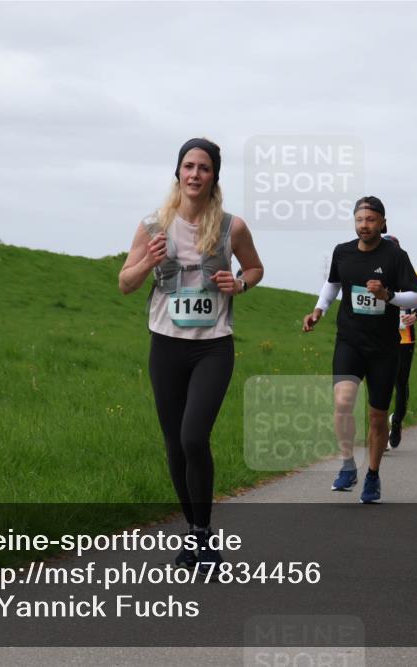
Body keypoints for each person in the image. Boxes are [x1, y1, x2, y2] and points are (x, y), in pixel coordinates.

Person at [118, 138, 264, 569]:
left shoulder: (232, 227)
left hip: (213, 347)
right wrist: (148, 262)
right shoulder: (153, 226)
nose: (195, 174)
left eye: (203, 167)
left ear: (214, 176)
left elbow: (255, 267)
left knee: (193, 437)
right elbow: (125, 283)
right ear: (178, 172)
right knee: (174, 446)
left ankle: (203, 536)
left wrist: (240, 284)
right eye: (188, 166)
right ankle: (196, 534)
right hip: (166, 345)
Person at [302, 196, 417, 503]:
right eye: (359, 220)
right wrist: (319, 310)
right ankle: (347, 465)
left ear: (382, 222)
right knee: (343, 402)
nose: (364, 225)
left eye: (370, 220)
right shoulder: (342, 252)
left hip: (384, 348)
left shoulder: (396, 256)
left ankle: (372, 475)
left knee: (377, 417)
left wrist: (388, 295)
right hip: (350, 341)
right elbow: (333, 284)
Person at [380, 234, 417, 451]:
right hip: (380, 336)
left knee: (400, 383)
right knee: (381, 384)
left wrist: (416, 315)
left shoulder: (413, 274)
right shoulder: (376, 274)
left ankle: (397, 422)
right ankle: (380, 433)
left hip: (405, 338)